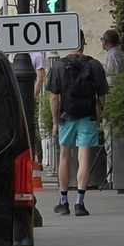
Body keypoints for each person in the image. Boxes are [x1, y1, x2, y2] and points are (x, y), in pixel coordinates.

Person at [43, 36, 109, 215]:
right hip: (88, 116)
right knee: (84, 157)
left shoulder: (58, 66)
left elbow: (54, 97)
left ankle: (63, 202)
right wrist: (98, 116)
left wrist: (55, 122)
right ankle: (80, 203)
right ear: (83, 43)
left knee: (64, 156)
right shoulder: (95, 65)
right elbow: (101, 95)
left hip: (66, 117)